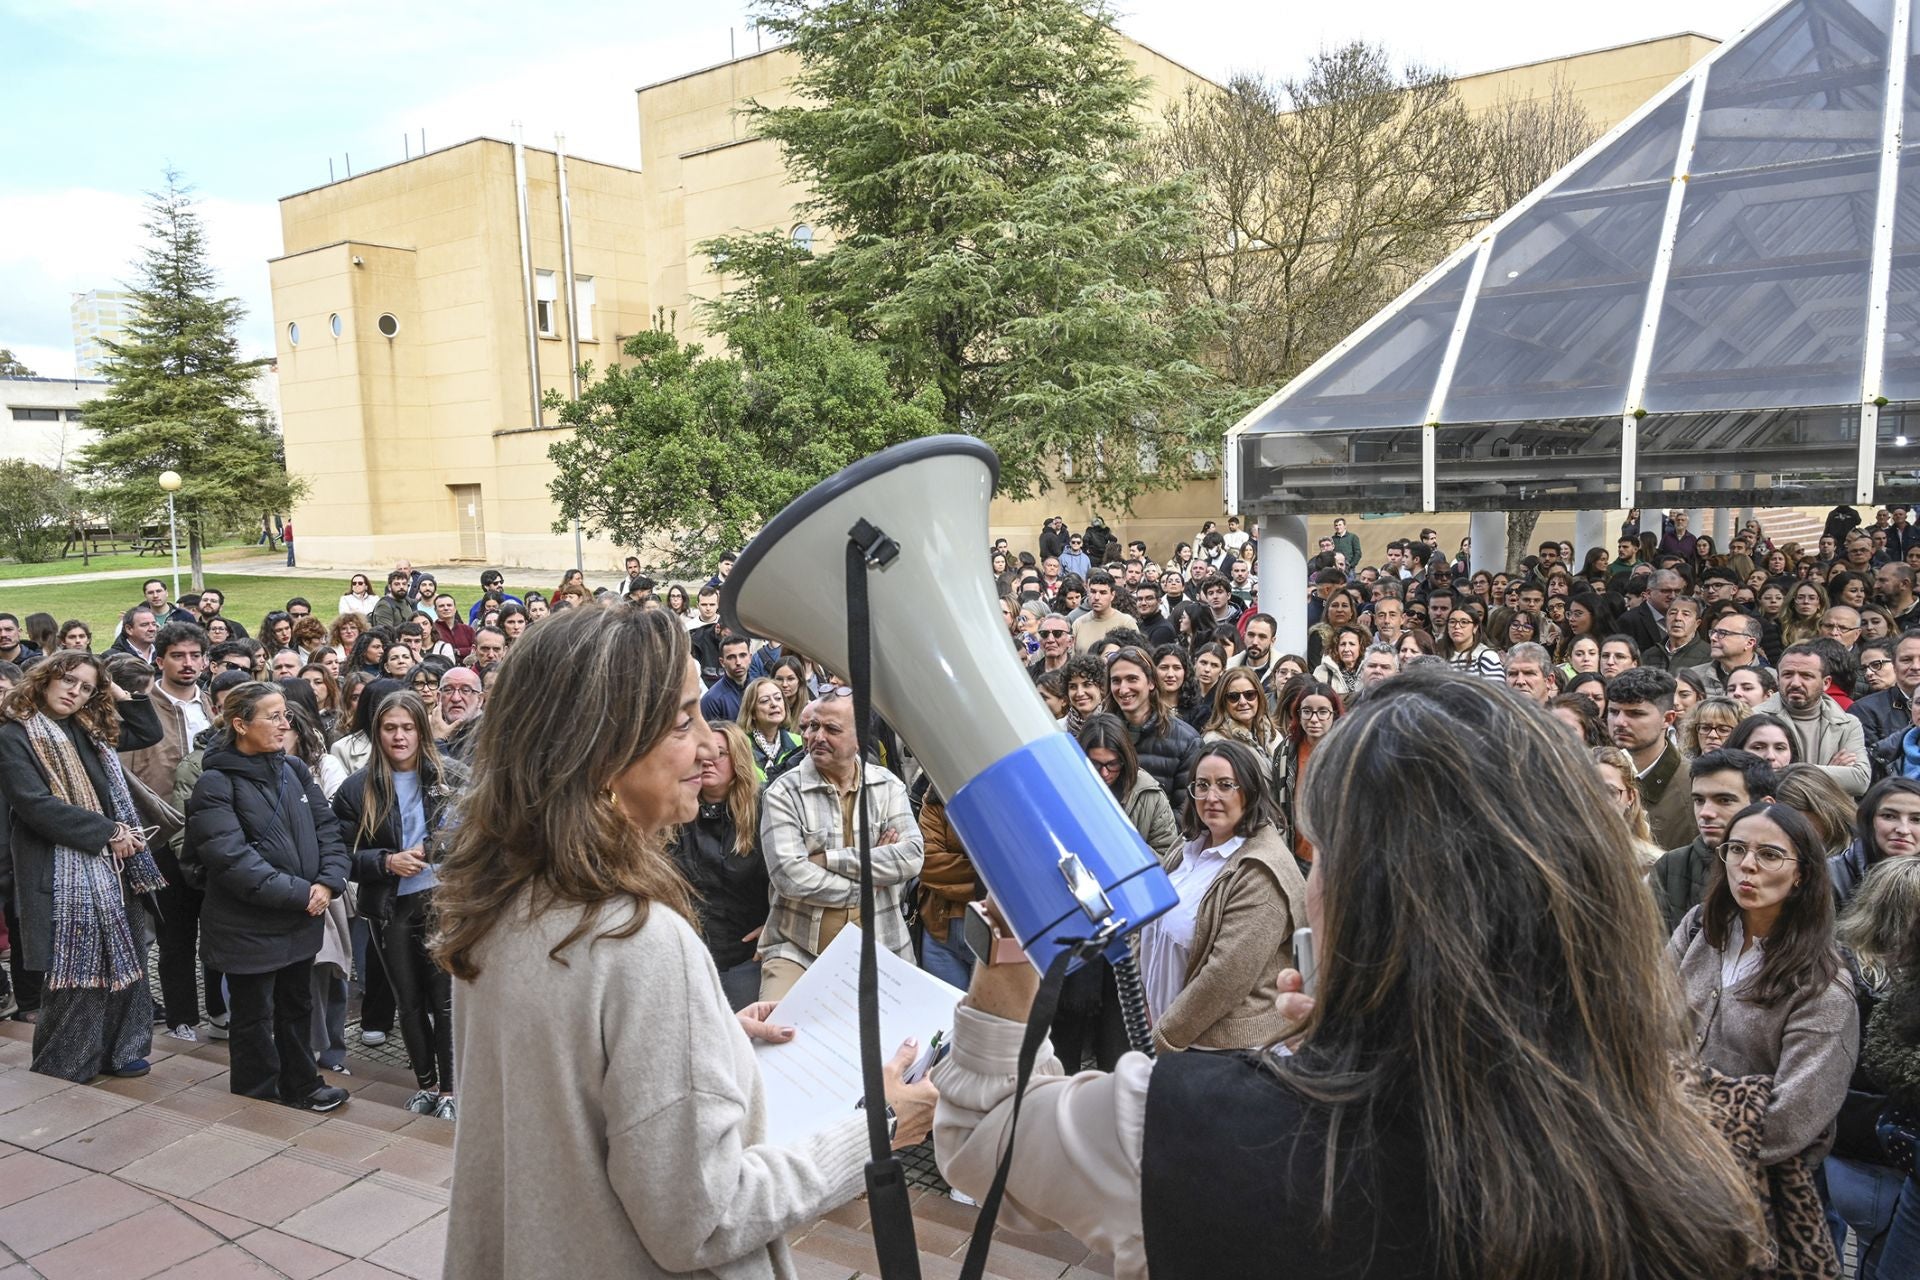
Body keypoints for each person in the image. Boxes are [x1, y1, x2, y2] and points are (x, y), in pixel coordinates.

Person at [932, 665, 1764, 1279]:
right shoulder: (1680, 1170)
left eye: (1322, 856)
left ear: (1367, 900)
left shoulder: (1189, 1124)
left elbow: (984, 1136)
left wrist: (1010, 933)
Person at [432, 606, 934, 1277]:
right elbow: (705, 1218)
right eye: (681, 722)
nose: (710, 744)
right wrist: (877, 1128)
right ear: (597, 751)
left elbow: (568, 1079)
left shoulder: (499, 895)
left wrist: (711, 1040)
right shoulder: (638, 938)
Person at [1669, 801, 1857, 1268]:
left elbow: (1792, 1117)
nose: (1747, 865)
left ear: (1802, 875)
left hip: (1753, 1191)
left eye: (1770, 854)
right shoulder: (1699, 929)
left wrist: (1679, 1128)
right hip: (1665, 1168)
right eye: (1736, 850)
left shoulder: (1822, 984)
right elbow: (1646, 1024)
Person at [185, 681, 352, 1112]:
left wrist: (329, 882)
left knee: (295, 1006)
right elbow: (233, 862)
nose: (284, 725)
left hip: (300, 918)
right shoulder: (215, 784)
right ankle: (257, 1097)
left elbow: (328, 830)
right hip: (248, 927)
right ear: (240, 724)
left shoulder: (293, 770)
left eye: (286, 716)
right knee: (254, 1016)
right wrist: (303, 894)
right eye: (273, 716)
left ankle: (303, 1084)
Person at [0, 652, 166, 1080]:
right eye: (68, 680)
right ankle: (67, 1062)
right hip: (61, 870)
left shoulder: (90, 726)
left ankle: (124, 1050)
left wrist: (112, 686)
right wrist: (108, 832)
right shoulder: (14, 734)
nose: (75, 691)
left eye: (86, 687)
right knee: (76, 974)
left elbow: (147, 729)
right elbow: (35, 806)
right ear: (45, 678)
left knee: (128, 961)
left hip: (117, 869)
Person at [329, 689, 464, 1118]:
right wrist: (386, 861)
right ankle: (425, 1083)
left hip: (444, 902)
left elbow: (480, 836)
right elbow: (337, 855)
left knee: (444, 1000)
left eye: (408, 727)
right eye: (390, 728)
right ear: (377, 733)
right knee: (407, 1000)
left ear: (422, 731)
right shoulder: (357, 789)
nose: (399, 736)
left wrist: (436, 850)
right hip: (390, 907)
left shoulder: (453, 777)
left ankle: (451, 1089)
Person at [1134, 739, 1306, 1054]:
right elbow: (1150, 921)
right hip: (1167, 1033)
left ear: (1250, 791)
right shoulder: (1189, 845)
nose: (1211, 797)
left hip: (1223, 1052)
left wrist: (1163, 1038)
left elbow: (1224, 979)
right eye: (1202, 785)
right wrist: (1140, 1002)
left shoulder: (1260, 870)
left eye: (1226, 785)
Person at [756, 690, 924, 1001]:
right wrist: (868, 884)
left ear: (860, 739)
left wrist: (828, 859)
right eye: (814, 727)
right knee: (777, 1036)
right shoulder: (783, 793)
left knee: (902, 1041)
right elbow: (790, 877)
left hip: (883, 945)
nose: (817, 737)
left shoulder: (887, 786)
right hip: (799, 950)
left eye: (832, 730)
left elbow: (912, 857)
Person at [665, 721, 773, 1012]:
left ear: (738, 759)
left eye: (719, 753)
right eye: (701, 754)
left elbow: (788, 876)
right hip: (689, 953)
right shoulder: (673, 811)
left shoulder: (766, 808)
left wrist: (777, 923)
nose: (708, 761)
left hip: (747, 956)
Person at [1648, 749, 1778, 937]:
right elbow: (1655, 951)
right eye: (1699, 800)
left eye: (1724, 800)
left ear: (1765, 805)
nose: (1705, 812)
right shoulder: (1671, 866)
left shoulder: (1793, 869)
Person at [1606, 668, 1698, 850]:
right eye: (1614, 712)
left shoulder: (1694, 788)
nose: (1619, 722)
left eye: (1636, 714)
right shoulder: (1588, 774)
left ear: (1668, 719)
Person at [1761, 643, 1869, 796]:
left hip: (1830, 815)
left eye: (1806, 676)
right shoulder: (1754, 718)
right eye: (1787, 675)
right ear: (1778, 680)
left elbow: (1859, 781)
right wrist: (1826, 772)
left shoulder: (1848, 724)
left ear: (1826, 683)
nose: (1795, 683)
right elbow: (1749, 775)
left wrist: (1788, 771)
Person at [1591, 744, 1666, 866]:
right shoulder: (1561, 855)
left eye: (1611, 792)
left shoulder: (1652, 863)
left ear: (1630, 797)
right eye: (1590, 790)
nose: (1600, 801)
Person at [736, 677, 803, 783]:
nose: (774, 704)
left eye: (778, 698)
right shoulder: (740, 746)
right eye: (765, 701)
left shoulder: (800, 742)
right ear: (752, 712)